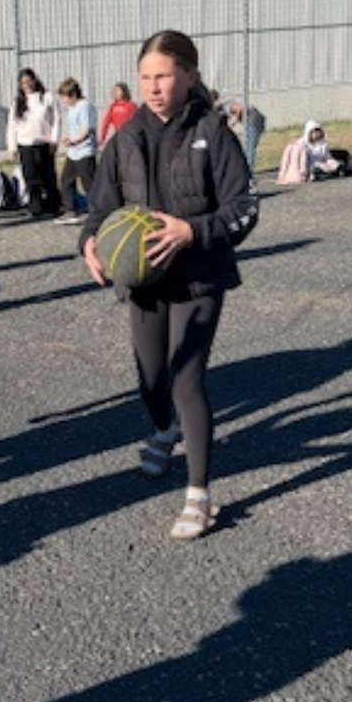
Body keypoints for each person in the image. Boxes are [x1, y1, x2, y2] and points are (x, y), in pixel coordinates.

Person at [81, 30, 258, 541]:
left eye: (164, 76)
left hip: (199, 276)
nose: (154, 87)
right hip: (144, 281)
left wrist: (191, 231)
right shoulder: (125, 138)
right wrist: (91, 242)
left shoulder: (212, 132)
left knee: (185, 378)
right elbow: (99, 208)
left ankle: (200, 494)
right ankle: (165, 430)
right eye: (146, 78)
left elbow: (244, 208)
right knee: (151, 379)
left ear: (190, 77)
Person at [6, 68, 61, 219]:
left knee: (48, 175)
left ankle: (52, 205)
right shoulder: (18, 102)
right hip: (25, 143)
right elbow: (12, 126)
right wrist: (12, 148)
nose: (27, 85)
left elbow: (56, 119)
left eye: (29, 81)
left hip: (44, 142)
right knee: (30, 176)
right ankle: (35, 206)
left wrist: (54, 140)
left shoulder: (47, 97)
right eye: (23, 82)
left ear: (35, 80)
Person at [54, 78, 98, 225]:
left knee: (89, 184)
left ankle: (96, 212)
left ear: (73, 95)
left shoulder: (84, 106)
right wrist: (69, 139)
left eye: (64, 97)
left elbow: (86, 130)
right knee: (66, 180)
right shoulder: (72, 108)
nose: (63, 101)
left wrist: (74, 141)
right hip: (73, 153)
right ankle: (70, 210)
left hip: (84, 152)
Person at [277, 119, 343, 184]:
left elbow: (327, 157)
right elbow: (305, 162)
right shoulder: (302, 144)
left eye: (319, 131)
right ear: (309, 132)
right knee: (318, 169)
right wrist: (319, 164)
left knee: (336, 165)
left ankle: (334, 171)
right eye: (315, 132)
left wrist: (333, 163)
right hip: (310, 166)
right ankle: (318, 174)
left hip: (322, 164)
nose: (317, 134)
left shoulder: (323, 144)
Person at [220, 96, 266, 172]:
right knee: (248, 147)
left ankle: (248, 171)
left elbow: (238, 109)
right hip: (254, 121)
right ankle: (247, 169)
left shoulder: (227, 104)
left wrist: (232, 122)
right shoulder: (224, 107)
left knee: (249, 148)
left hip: (253, 121)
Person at [98, 82, 136, 148]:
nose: (115, 92)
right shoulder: (113, 106)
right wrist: (102, 138)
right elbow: (105, 123)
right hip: (119, 137)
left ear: (124, 91)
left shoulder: (131, 105)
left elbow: (136, 122)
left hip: (130, 137)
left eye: (117, 90)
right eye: (114, 90)